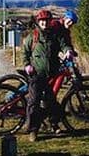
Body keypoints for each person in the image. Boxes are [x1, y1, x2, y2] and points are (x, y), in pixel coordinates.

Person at [22, 9, 70, 141]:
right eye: (42, 21)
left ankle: (54, 125)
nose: (44, 23)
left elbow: (64, 45)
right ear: (39, 22)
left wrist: (68, 51)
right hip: (36, 75)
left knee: (51, 102)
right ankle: (33, 130)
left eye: (47, 21)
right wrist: (27, 65)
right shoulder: (33, 37)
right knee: (34, 103)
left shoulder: (55, 36)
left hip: (51, 74)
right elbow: (25, 52)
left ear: (50, 22)